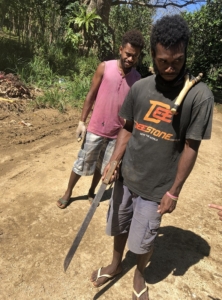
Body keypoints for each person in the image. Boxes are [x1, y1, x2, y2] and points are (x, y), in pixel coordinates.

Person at [90, 15, 214, 300]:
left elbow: (191, 147)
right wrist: (114, 161)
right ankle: (116, 263)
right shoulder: (141, 88)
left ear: (185, 53)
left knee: (144, 240)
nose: (170, 68)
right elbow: (128, 127)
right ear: (153, 56)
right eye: (162, 61)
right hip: (127, 176)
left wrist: (174, 191)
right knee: (120, 225)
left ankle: (139, 274)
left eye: (177, 61)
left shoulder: (199, 97)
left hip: (157, 187)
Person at [57, 30, 145, 209]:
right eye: (128, 54)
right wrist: (82, 121)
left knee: (102, 166)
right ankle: (69, 191)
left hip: (117, 133)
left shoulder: (137, 80)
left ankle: (92, 190)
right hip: (96, 128)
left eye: (134, 56)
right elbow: (91, 94)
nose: (130, 59)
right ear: (120, 49)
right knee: (82, 161)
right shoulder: (105, 67)